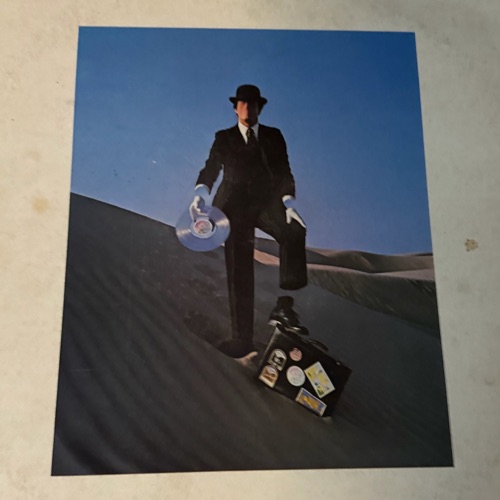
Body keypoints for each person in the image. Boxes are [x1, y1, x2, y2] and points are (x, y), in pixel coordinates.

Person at [190, 84, 308, 358]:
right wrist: (200, 195)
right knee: (240, 268)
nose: (248, 108)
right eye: (243, 103)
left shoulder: (273, 136)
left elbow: (283, 171)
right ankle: (242, 340)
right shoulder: (224, 137)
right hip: (232, 207)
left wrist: (289, 203)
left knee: (293, 231)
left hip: (265, 203)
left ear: (259, 108)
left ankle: (284, 306)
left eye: (253, 103)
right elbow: (211, 168)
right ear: (236, 108)